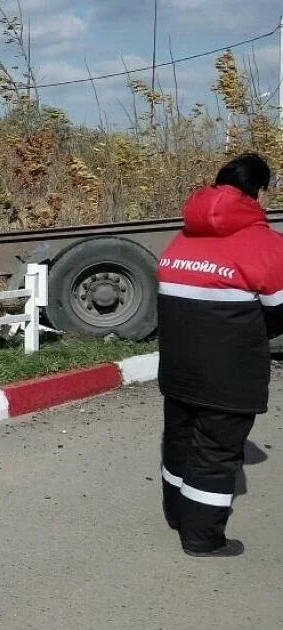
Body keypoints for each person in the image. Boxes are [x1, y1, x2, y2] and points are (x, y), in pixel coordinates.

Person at [157, 152, 283, 558]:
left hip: (177, 369)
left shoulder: (180, 239)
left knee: (179, 440)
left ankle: (177, 515)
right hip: (229, 374)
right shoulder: (265, 244)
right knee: (216, 452)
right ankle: (202, 538)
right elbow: (279, 314)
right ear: (259, 192)